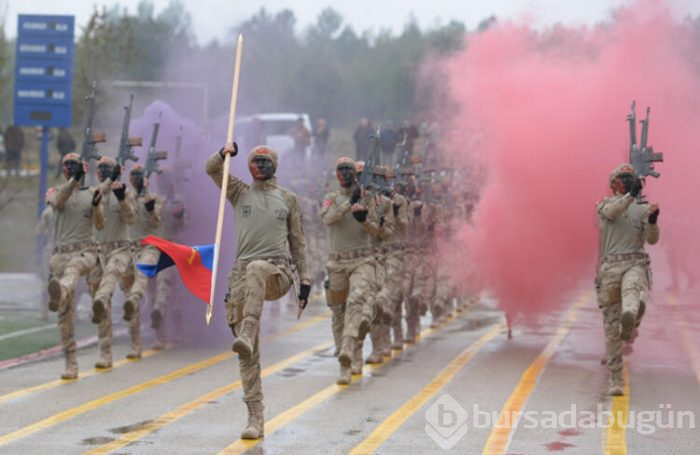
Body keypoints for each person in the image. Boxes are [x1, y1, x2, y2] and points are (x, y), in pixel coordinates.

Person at [206, 142, 311, 440]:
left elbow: (298, 243)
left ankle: (249, 330)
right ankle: (255, 418)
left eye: (265, 162)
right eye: (255, 161)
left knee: (256, 272)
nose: (260, 166)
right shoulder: (239, 192)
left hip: (276, 273)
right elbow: (211, 169)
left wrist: (304, 281)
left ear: (274, 166)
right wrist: (224, 153)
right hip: (241, 276)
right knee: (246, 355)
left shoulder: (288, 199)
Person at [596, 163, 660, 396]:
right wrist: (632, 195)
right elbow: (613, 212)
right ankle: (615, 378)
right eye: (623, 179)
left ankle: (631, 316)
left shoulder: (641, 209)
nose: (627, 182)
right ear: (614, 184)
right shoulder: (605, 205)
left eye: (630, 179)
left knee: (632, 294)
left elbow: (651, 240)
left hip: (635, 262)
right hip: (611, 268)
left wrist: (652, 222)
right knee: (612, 329)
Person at [320, 157, 381, 385]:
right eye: (341, 170)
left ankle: (348, 355)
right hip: (337, 264)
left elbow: (378, 230)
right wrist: (348, 205)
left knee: (356, 303)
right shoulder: (331, 198)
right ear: (337, 174)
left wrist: (363, 219)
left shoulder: (368, 199)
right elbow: (328, 218)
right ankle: (348, 357)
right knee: (339, 313)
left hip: (361, 261)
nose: (345, 174)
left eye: (348, 170)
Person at [46, 153, 105, 379]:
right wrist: (72, 182)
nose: (70, 168)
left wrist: (98, 206)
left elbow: (100, 224)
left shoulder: (91, 194)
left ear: (84, 168)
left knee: (71, 273)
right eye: (66, 165)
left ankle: (60, 289)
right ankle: (71, 365)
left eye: (74, 165)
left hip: (84, 251)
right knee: (64, 315)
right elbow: (58, 202)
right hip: (61, 255)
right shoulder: (54, 192)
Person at [89, 157, 135, 369]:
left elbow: (131, 219)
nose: (102, 172)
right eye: (100, 169)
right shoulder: (94, 192)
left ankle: (136, 342)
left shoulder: (125, 192)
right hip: (99, 253)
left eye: (107, 169)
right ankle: (105, 353)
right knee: (100, 305)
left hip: (120, 249)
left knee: (120, 293)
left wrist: (122, 199)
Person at [124, 164, 163, 360]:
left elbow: (156, 222)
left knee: (150, 291)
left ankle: (159, 335)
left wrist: (148, 204)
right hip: (129, 248)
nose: (136, 178)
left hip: (149, 248)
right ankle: (135, 343)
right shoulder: (123, 196)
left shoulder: (154, 198)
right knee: (131, 297)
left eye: (140, 175)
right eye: (134, 175)